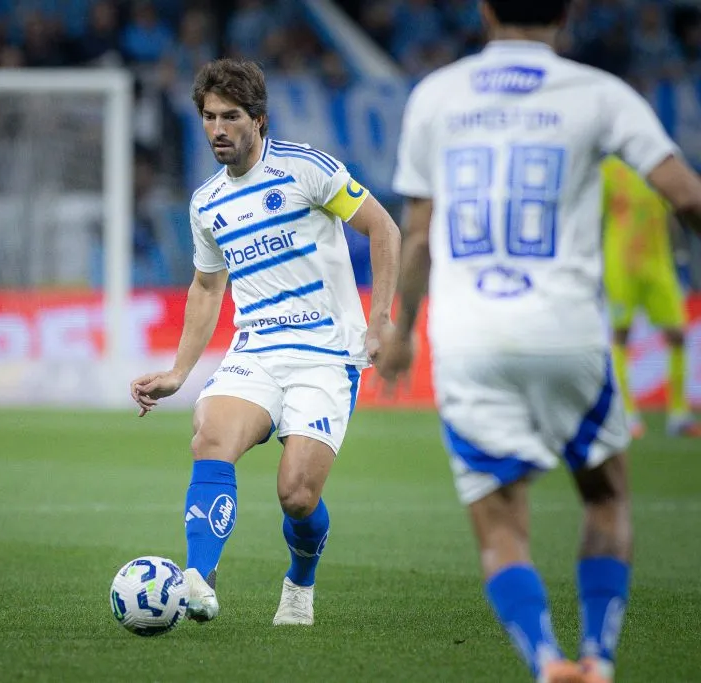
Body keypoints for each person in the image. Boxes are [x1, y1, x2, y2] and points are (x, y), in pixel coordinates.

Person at [381, 0, 701, 681]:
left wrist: (402, 332)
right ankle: (600, 655)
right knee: (606, 493)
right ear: (570, 11)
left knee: (502, 523)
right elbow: (687, 197)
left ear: (484, 9)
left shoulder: (436, 95)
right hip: (567, 331)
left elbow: (416, 236)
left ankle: (547, 659)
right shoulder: (601, 93)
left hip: (467, 338)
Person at [130, 58, 401, 626]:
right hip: (255, 350)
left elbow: (384, 227)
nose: (217, 129)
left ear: (259, 119)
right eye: (208, 117)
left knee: (297, 496)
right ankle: (197, 579)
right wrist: (179, 371)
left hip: (327, 354)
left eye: (230, 116)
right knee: (210, 437)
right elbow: (207, 288)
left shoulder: (307, 170)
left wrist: (380, 322)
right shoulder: (206, 202)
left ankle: (300, 581)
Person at [601, 155, 700, 438]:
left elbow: (674, 208)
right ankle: (627, 413)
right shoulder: (610, 169)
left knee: (677, 334)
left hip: (658, 264)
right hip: (622, 264)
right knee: (621, 335)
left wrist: (677, 240)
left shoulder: (658, 164)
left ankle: (679, 414)